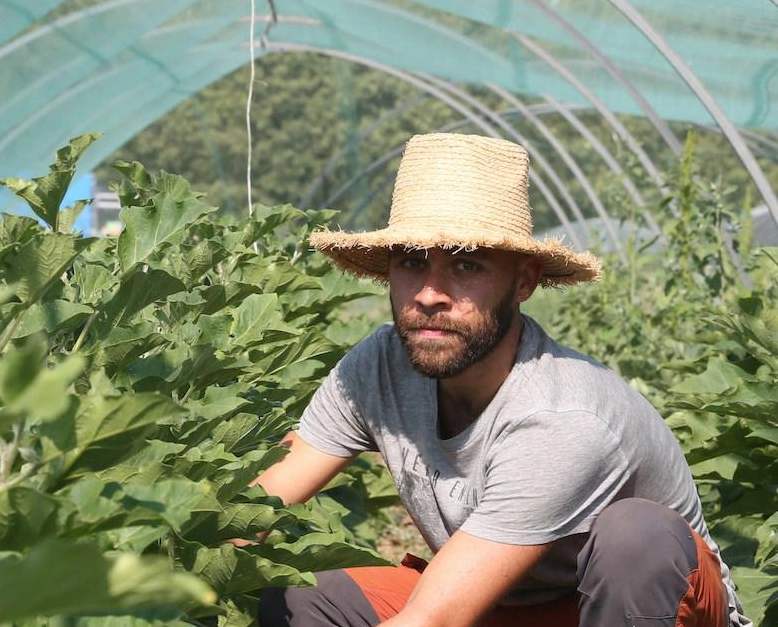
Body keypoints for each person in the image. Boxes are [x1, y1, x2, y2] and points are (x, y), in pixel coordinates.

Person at [251, 133, 750, 627]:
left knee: (636, 537)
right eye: (411, 262)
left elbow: (435, 620)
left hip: (632, 609)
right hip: (499, 602)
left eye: (466, 265)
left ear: (525, 281)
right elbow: (256, 505)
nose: (430, 294)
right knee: (307, 597)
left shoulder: (561, 416)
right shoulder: (380, 364)